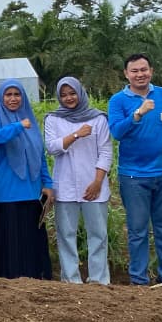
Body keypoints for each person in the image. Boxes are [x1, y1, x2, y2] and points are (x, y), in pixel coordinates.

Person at [107, 53, 162, 287]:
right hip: (133, 176)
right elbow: (117, 132)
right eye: (135, 71)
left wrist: (161, 145)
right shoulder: (118, 101)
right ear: (126, 74)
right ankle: (139, 280)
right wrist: (137, 114)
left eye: (144, 70)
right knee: (137, 231)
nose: (140, 74)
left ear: (151, 71)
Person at [0, 79, 54, 280]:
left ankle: (33, 275)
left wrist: (47, 183)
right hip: (6, 190)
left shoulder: (30, 120)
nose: (13, 99)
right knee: (9, 235)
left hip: (31, 189)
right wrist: (17, 126)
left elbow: (39, 155)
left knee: (30, 235)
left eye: (17, 94)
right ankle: (8, 277)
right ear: (1, 97)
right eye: (8, 95)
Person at [44, 76, 112, 285]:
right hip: (65, 186)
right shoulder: (53, 119)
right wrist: (76, 135)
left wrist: (97, 182)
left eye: (72, 93)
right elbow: (52, 147)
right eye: (64, 95)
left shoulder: (98, 118)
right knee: (66, 234)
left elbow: (106, 151)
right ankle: (71, 279)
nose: (69, 98)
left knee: (98, 234)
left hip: (94, 185)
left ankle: (99, 279)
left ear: (80, 93)